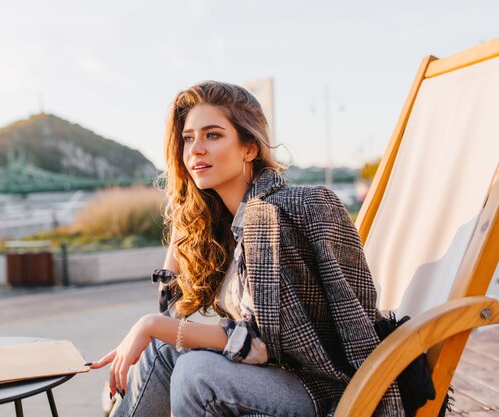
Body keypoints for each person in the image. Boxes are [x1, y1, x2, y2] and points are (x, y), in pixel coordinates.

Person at [86, 81, 404, 417]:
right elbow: (173, 309)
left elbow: (258, 341)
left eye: (213, 135)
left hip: (324, 390)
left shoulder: (280, 212)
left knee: (196, 376)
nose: (195, 149)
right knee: (162, 353)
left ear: (249, 148)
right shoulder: (226, 223)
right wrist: (182, 215)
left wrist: (150, 325)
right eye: (188, 138)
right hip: (272, 381)